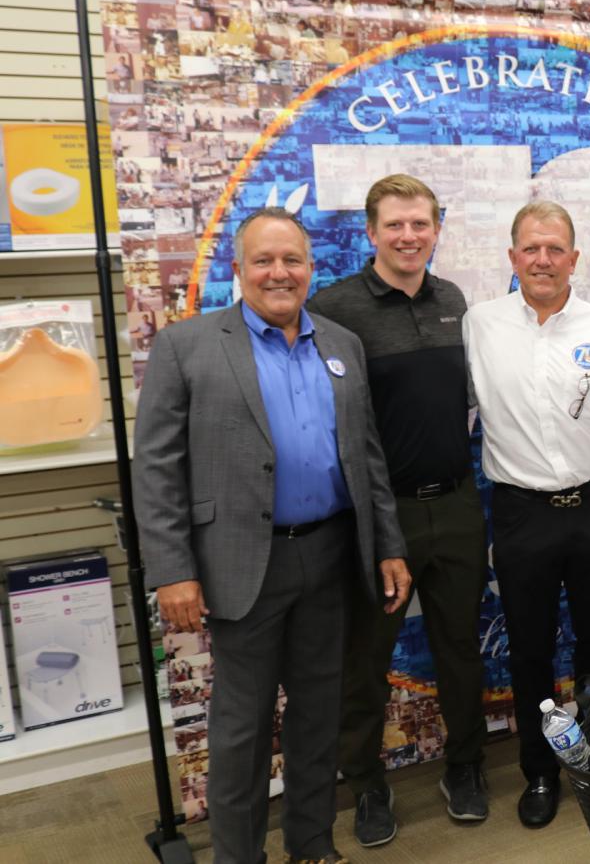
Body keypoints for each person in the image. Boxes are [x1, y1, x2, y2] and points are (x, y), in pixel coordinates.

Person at [134, 208, 411, 864]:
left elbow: (367, 457)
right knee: (242, 732)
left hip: (330, 557)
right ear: (239, 269)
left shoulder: (341, 345)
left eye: (292, 260)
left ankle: (312, 847)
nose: (279, 273)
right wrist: (172, 569)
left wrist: (391, 544)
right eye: (264, 260)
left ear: (311, 269)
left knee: (318, 720)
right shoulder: (188, 346)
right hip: (242, 566)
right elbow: (157, 469)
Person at [305, 175, 490, 846]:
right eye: (395, 225)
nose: (408, 236)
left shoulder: (455, 301)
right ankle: (368, 788)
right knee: (366, 661)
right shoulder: (336, 308)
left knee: (461, 652)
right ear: (371, 232)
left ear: (437, 229)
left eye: (420, 224)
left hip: (459, 504)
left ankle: (465, 768)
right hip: (380, 519)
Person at [462, 200, 590, 829]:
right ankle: (541, 770)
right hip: (520, 511)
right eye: (531, 248)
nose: (543, 259)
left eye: (555, 249)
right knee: (530, 651)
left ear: (575, 259)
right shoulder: (480, 325)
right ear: (513, 257)